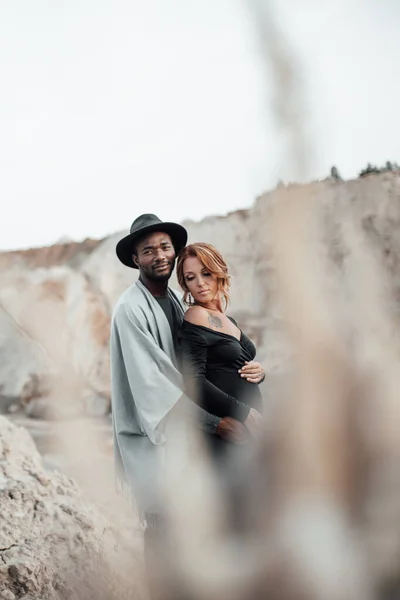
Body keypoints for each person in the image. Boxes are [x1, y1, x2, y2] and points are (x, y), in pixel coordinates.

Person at [110, 214, 252, 598]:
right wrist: (217, 423)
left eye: (165, 247)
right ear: (135, 258)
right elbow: (154, 388)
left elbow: (194, 361)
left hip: (184, 434)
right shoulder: (131, 310)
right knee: (161, 526)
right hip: (151, 436)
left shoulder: (171, 298)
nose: (160, 255)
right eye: (148, 250)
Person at [176, 242, 265, 461]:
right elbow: (193, 381)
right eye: (190, 277)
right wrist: (244, 412)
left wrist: (260, 373)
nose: (200, 283)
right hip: (232, 431)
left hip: (250, 426)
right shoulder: (195, 316)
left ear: (218, 272)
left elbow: (235, 365)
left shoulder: (228, 319)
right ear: (185, 284)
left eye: (206, 273)